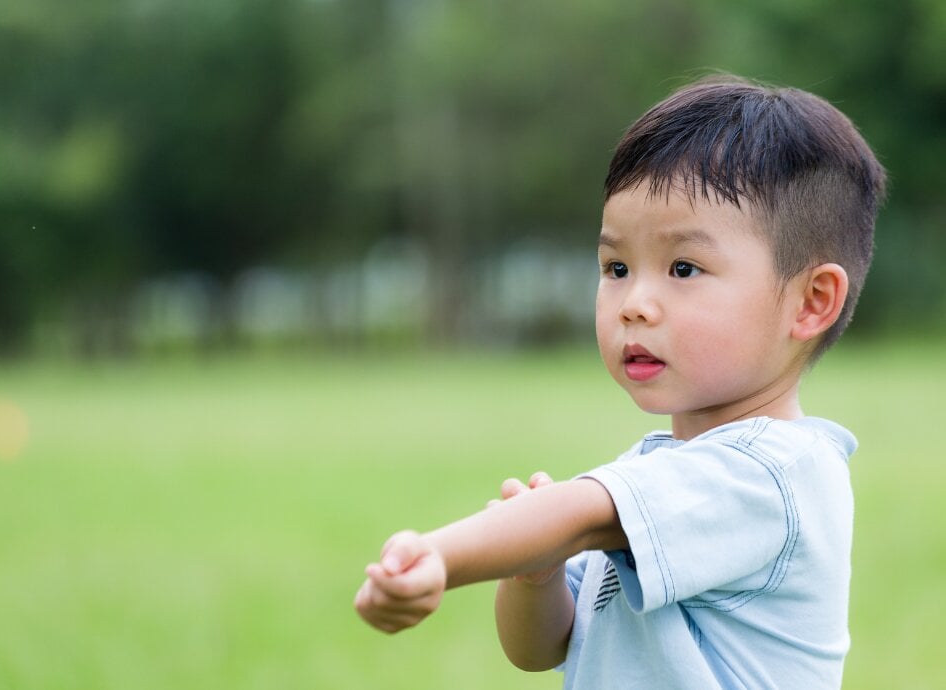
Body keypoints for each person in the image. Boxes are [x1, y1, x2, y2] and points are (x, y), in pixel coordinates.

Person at [354, 75, 886, 689]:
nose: (635, 303)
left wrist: (440, 555)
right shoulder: (660, 469)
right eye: (616, 267)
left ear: (810, 302)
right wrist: (536, 574)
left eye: (683, 268)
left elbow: (579, 514)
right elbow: (542, 646)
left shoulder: (773, 474)